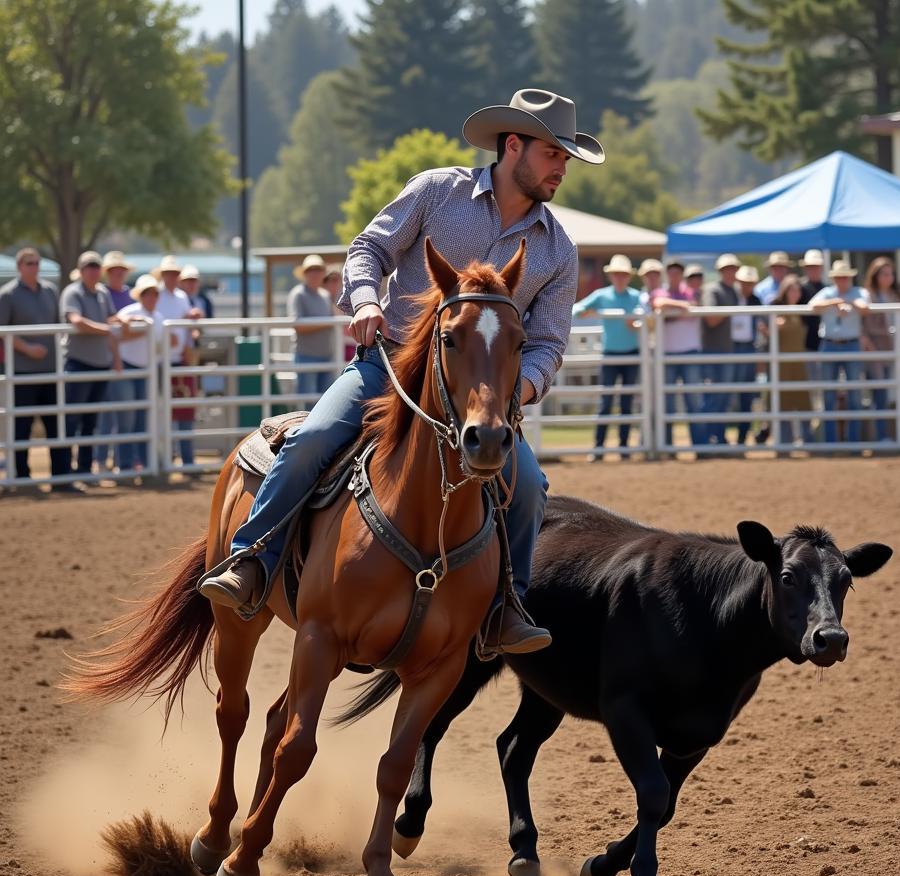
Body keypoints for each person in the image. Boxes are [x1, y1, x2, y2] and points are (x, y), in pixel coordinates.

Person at [198, 87, 604, 657]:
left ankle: (505, 606)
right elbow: (369, 249)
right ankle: (252, 559)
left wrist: (523, 387)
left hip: (480, 400)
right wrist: (365, 299)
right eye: (553, 154)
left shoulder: (557, 248)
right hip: (386, 368)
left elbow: (548, 342)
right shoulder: (438, 191)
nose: (562, 168)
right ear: (514, 146)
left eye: (565, 158)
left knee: (531, 486)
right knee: (313, 438)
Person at [0, 247, 71, 483]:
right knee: (22, 427)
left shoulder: (50, 291)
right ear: (20, 266)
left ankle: (61, 477)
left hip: (51, 371)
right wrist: (27, 348)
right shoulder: (8, 295)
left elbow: (59, 326)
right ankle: (22, 477)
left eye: (37, 263)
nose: (34, 267)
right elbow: (2, 332)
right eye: (29, 263)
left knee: (56, 424)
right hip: (23, 373)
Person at [573, 254, 643, 458]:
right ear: (611, 276)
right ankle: (599, 447)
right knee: (605, 402)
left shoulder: (636, 296)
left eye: (623, 274)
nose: (619, 278)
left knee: (627, 403)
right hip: (610, 354)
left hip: (631, 354)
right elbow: (576, 309)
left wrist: (637, 323)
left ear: (628, 277)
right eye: (616, 274)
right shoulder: (602, 296)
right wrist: (588, 312)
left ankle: (623, 447)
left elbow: (646, 317)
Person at [59, 251, 121, 476]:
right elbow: (76, 320)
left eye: (96, 267)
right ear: (81, 270)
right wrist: (107, 329)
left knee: (90, 421)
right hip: (79, 363)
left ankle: (84, 469)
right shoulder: (72, 292)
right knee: (72, 420)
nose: (94, 271)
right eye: (90, 267)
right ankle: (65, 471)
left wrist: (123, 321)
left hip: (99, 364)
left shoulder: (102, 293)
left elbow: (110, 319)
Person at [809, 260, 870, 446]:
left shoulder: (859, 292)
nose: (842, 280)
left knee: (854, 396)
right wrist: (835, 303)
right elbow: (812, 306)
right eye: (839, 277)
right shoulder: (828, 293)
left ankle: (854, 443)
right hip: (829, 344)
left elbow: (865, 308)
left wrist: (847, 302)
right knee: (828, 396)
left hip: (851, 344)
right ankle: (830, 443)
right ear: (834, 279)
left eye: (845, 277)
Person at [111, 274, 164, 473]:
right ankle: (125, 464)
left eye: (154, 294)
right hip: (128, 366)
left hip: (146, 370)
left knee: (143, 418)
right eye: (147, 293)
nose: (151, 297)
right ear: (140, 296)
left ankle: (142, 462)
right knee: (127, 418)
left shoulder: (158, 318)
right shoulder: (129, 312)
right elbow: (113, 329)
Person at [153, 255, 202, 466]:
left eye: (174, 274)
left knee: (183, 408)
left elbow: (185, 327)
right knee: (164, 410)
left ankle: (184, 458)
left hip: (179, 360)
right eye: (168, 274)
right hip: (162, 360)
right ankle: (167, 458)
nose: (172, 277)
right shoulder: (158, 296)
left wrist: (186, 346)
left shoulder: (181, 297)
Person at [650, 260, 704, 447]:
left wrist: (673, 308)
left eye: (677, 273)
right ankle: (668, 447)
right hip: (667, 354)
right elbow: (659, 303)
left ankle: (700, 446)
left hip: (689, 352)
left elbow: (693, 305)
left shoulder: (691, 292)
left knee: (694, 401)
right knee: (668, 403)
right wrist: (681, 306)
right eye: (671, 272)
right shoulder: (661, 292)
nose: (674, 276)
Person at [94, 252, 136, 470]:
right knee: (107, 415)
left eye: (120, 270)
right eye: (113, 270)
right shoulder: (103, 294)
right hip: (107, 359)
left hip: (124, 360)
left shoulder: (129, 296)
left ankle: (119, 460)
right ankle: (101, 459)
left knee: (123, 414)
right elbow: (109, 324)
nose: (118, 274)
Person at [700, 253, 741, 444]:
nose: (731, 273)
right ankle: (707, 437)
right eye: (727, 269)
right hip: (712, 350)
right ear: (720, 271)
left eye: (733, 269)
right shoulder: (713, 290)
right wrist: (730, 309)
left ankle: (718, 436)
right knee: (714, 397)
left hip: (725, 349)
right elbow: (711, 318)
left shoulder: (731, 291)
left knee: (723, 397)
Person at [288, 253, 339, 406]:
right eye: (311, 270)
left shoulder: (324, 295)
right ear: (304, 273)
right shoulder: (298, 294)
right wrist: (326, 323)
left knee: (326, 403)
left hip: (326, 356)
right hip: (306, 356)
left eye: (318, 269)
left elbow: (334, 320)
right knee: (307, 404)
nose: (315, 273)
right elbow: (298, 325)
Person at [771, 274, 813, 446]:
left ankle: (808, 441)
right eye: (791, 290)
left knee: (803, 403)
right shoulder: (777, 310)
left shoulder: (802, 311)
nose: (795, 293)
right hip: (782, 364)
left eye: (797, 290)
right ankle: (784, 443)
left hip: (799, 363)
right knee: (783, 403)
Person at [862, 257, 899, 442]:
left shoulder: (892, 296)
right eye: (884, 274)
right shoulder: (868, 295)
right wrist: (869, 345)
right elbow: (863, 325)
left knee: (883, 392)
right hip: (874, 350)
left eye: (890, 274)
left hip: (888, 349)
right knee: (879, 393)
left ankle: (881, 435)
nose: (888, 277)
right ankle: (880, 435)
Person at [732, 265, 765, 445]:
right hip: (731, 348)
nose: (747, 286)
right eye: (744, 283)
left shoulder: (756, 300)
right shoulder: (730, 297)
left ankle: (742, 438)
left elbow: (764, 323)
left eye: (750, 283)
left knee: (746, 397)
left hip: (749, 348)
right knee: (726, 393)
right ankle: (721, 438)